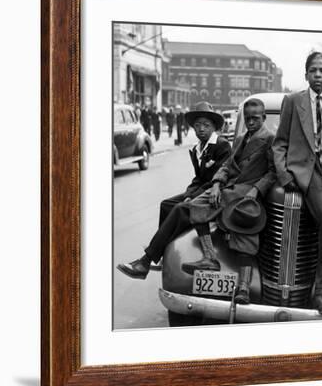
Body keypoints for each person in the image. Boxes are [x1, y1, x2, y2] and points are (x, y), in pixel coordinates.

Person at [117, 98, 276, 305]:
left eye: (255, 118)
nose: (251, 122)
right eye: (247, 119)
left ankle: (147, 261)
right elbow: (227, 166)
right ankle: (199, 258)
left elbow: (273, 173)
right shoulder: (240, 139)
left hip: (244, 195)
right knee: (188, 207)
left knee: (189, 210)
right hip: (227, 190)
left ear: (264, 118)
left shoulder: (270, 139)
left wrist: (255, 190)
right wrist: (217, 183)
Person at [272, 52, 322, 317]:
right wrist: (286, 177)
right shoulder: (293, 101)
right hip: (308, 173)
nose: (318, 75)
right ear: (306, 74)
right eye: (313, 70)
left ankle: (319, 295)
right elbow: (280, 143)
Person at [157, 101, 231, 226]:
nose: (201, 129)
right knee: (165, 205)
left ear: (213, 127)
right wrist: (188, 194)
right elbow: (198, 178)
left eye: (206, 125)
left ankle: (160, 243)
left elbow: (214, 180)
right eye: (197, 125)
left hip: (213, 193)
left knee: (179, 209)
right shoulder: (197, 148)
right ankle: (166, 243)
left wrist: (191, 197)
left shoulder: (221, 145)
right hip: (199, 191)